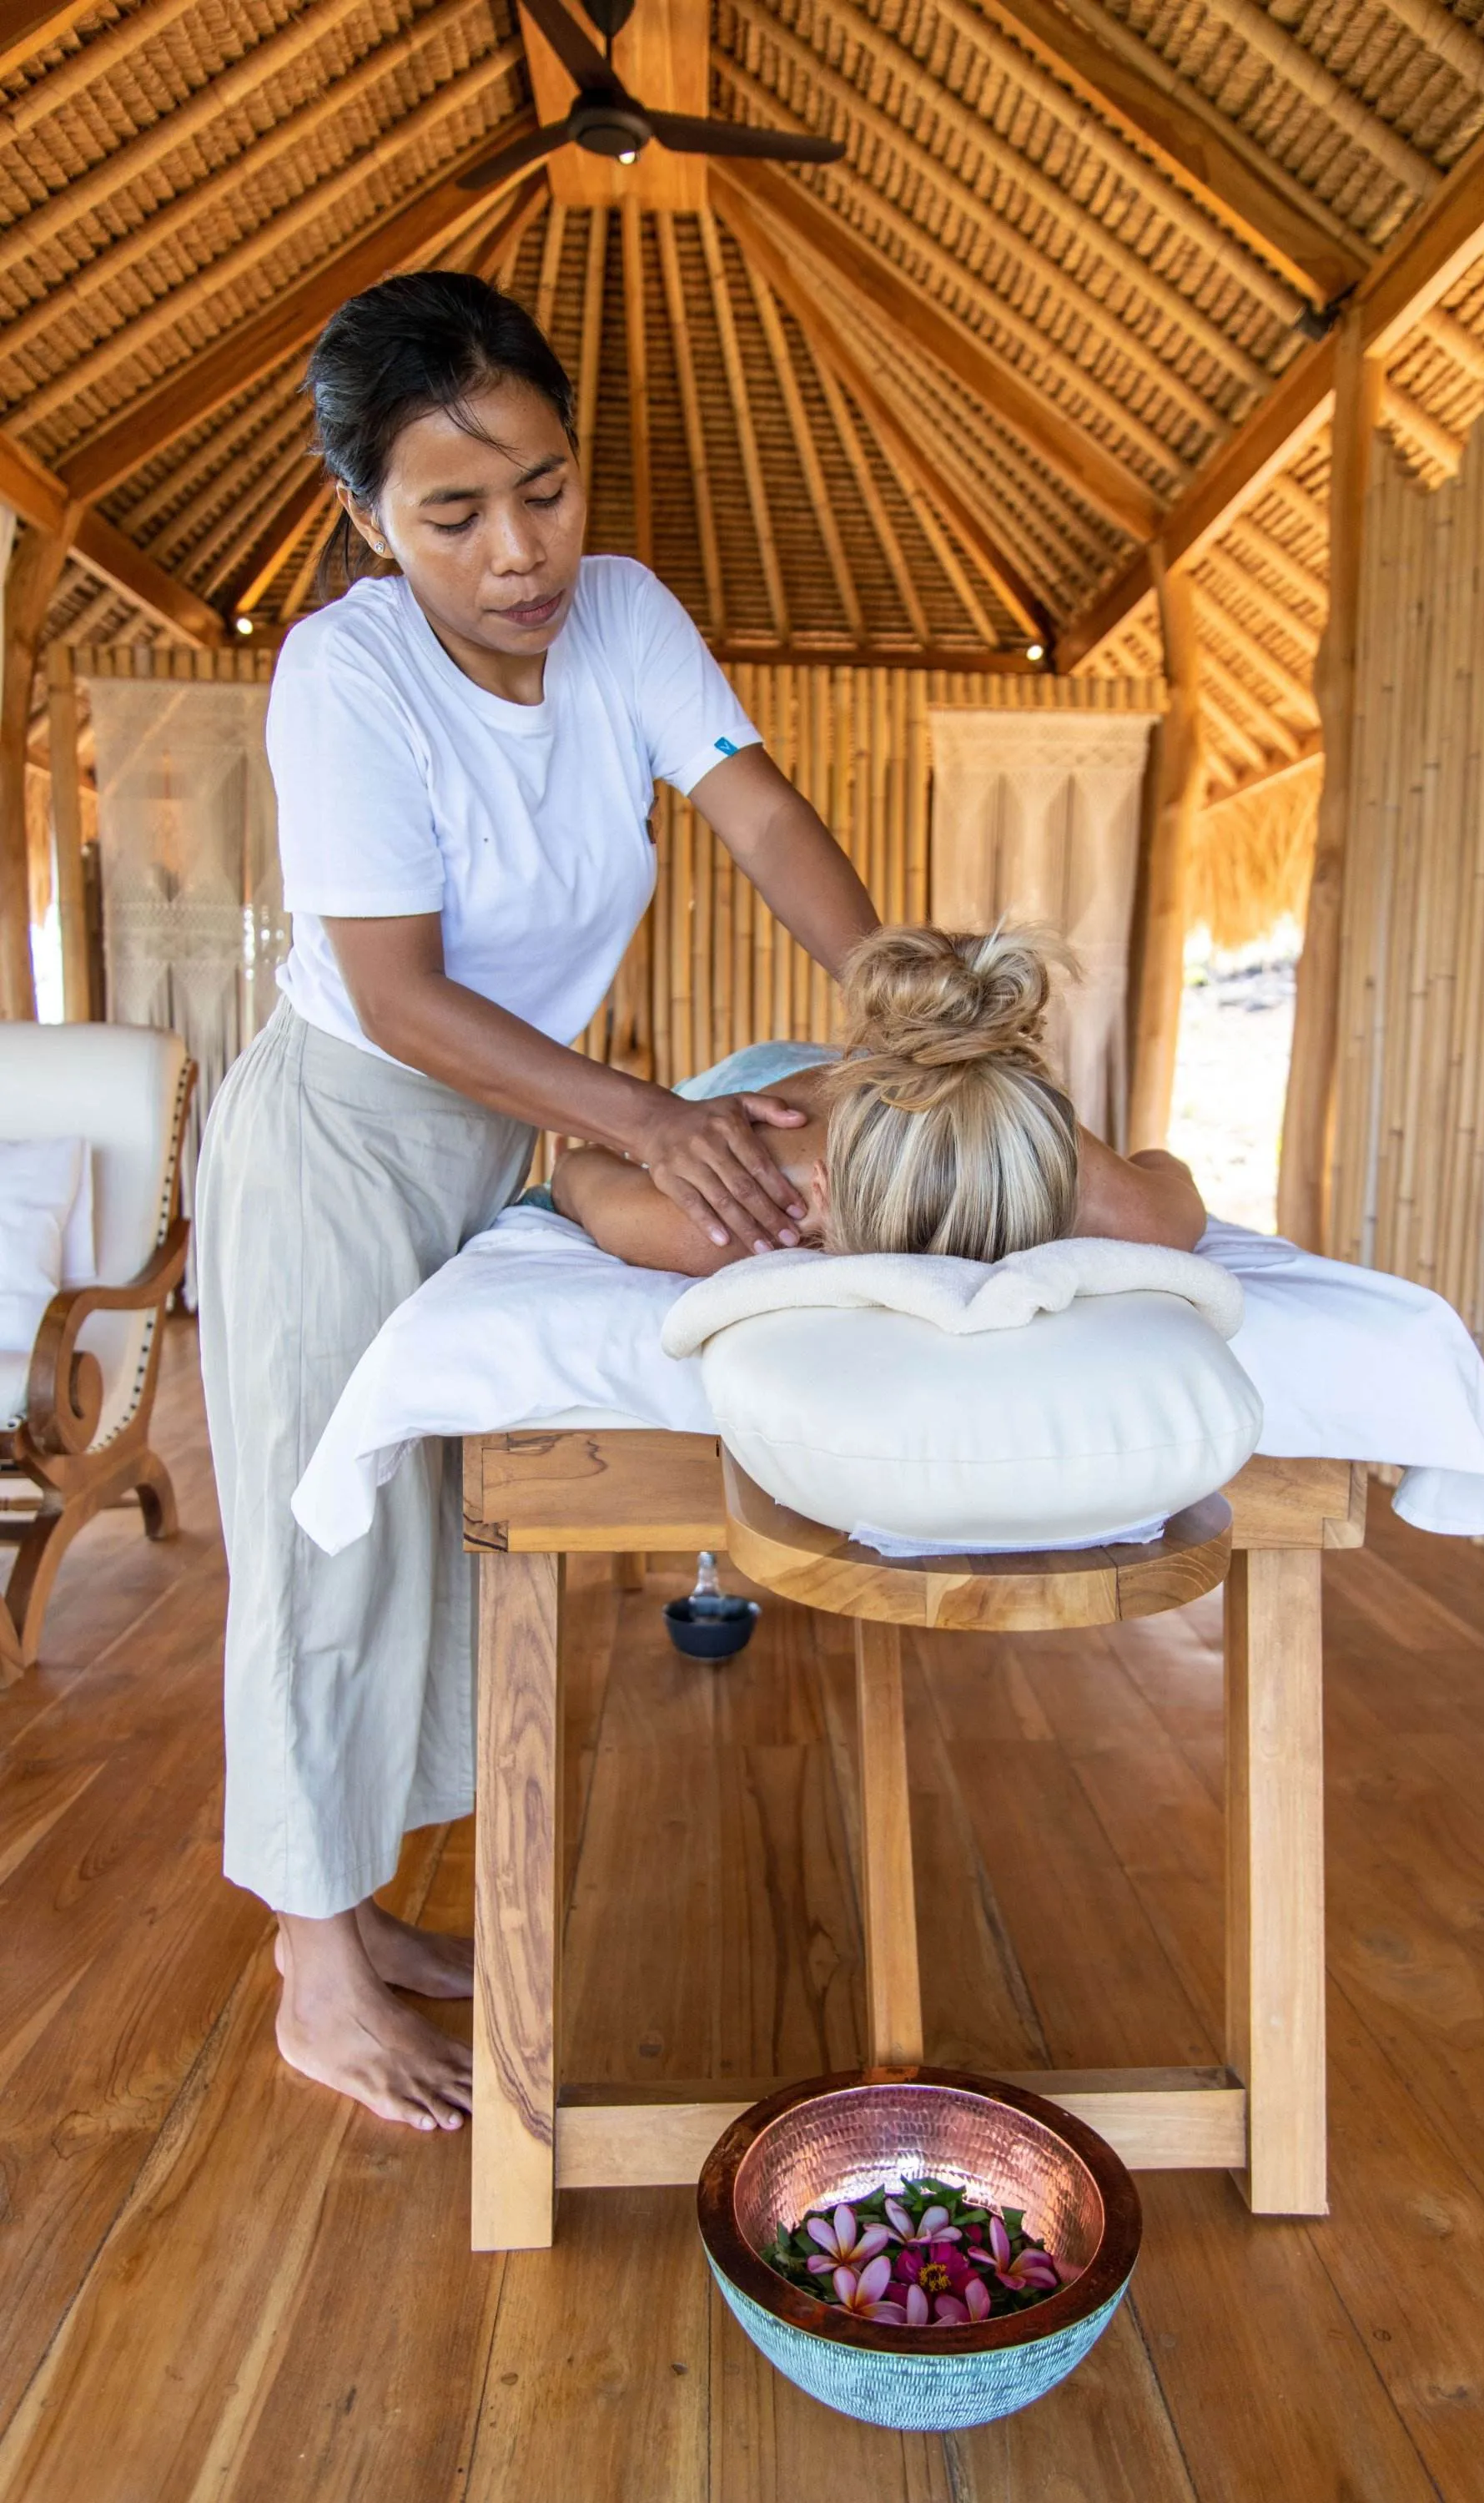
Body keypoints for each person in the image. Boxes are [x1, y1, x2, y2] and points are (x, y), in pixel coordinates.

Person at [195, 272, 877, 2133]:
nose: (522, 553)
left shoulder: (627, 618)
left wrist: (901, 985)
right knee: (318, 1539)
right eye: (455, 513)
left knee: (429, 1519)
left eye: (549, 491)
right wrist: (652, 1126)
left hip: (495, 1136)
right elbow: (404, 996)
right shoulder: (345, 678)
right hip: (342, 1135)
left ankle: (347, 1900)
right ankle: (314, 1975)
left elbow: (754, 810)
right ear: (366, 516)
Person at [547, 924, 1205, 1269]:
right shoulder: (742, 1208)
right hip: (762, 1084)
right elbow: (575, 1169)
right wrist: (659, 1130)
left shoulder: (1086, 1186)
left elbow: (577, 1172)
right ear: (819, 1190)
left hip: (965, 1095)